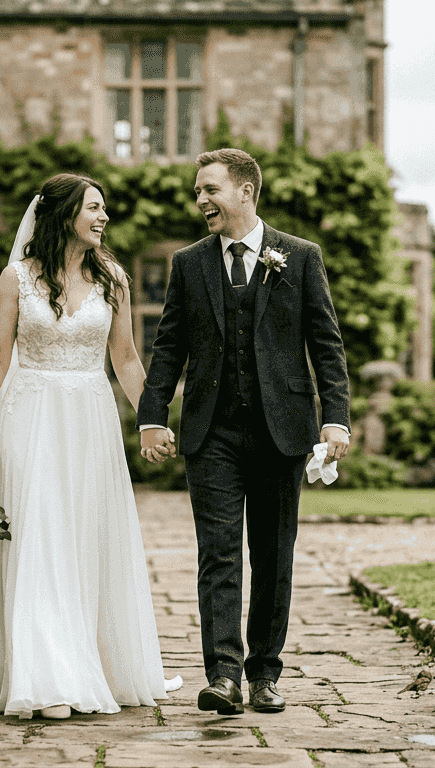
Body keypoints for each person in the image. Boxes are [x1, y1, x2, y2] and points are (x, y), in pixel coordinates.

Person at [0, 173, 180, 720]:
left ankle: (88, 662)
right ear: (63, 214)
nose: (103, 218)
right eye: (94, 208)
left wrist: (152, 421)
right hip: (30, 417)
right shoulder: (15, 279)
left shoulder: (112, 279)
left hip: (89, 419)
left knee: (85, 537)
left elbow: (124, 358)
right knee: (38, 537)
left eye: (104, 209)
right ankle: (44, 675)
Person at [137, 148, 352, 715]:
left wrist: (336, 416)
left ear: (245, 192)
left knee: (275, 554)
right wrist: (152, 414)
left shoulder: (300, 258)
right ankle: (224, 675)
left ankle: (265, 673)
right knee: (219, 553)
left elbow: (326, 346)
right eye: (198, 192)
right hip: (212, 435)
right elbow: (169, 347)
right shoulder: (189, 264)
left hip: (283, 431)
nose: (200, 200)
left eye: (209, 189)